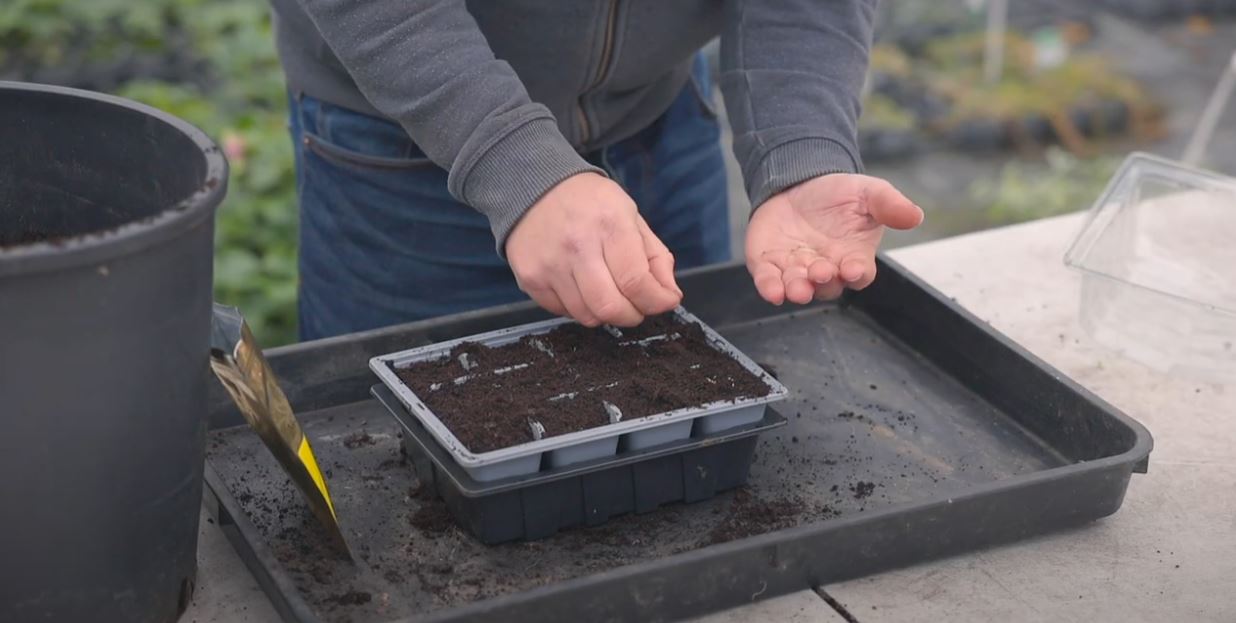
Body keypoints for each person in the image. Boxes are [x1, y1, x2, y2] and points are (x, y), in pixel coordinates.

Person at [269, 0, 923, 340]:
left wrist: (800, 146)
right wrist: (515, 164)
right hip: (412, 147)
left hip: (656, 123)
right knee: (392, 483)